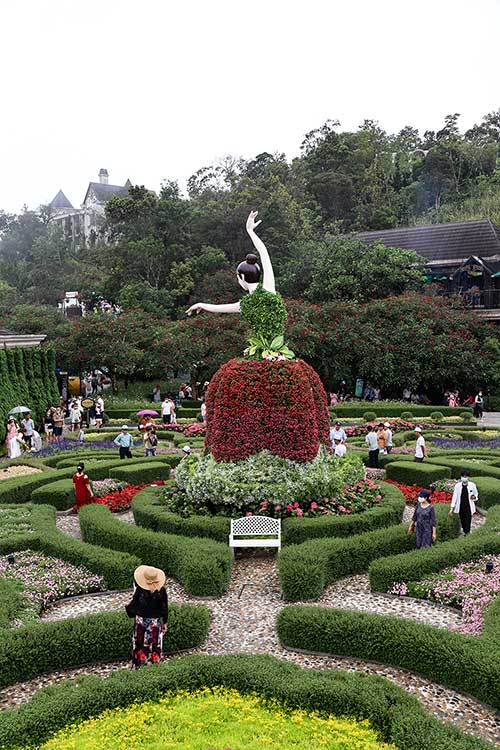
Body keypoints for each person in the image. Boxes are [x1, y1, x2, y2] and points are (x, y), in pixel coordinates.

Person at [125, 565, 168, 668]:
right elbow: (165, 608)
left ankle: (140, 665)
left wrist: (128, 609)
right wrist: (165, 622)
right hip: (155, 623)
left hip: (141, 623)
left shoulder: (140, 591)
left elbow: (133, 607)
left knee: (140, 643)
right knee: (155, 643)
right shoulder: (161, 591)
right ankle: (154, 665)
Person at [449, 470, 478, 535]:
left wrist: (474, 497)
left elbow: (476, 494)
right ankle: (465, 531)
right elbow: (455, 497)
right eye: (463, 476)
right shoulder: (457, 486)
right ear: (461, 477)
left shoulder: (472, 485)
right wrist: (452, 508)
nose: (464, 478)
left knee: (468, 520)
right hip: (460, 506)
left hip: (468, 506)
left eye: (466, 476)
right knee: (462, 520)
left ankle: (467, 533)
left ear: (468, 477)